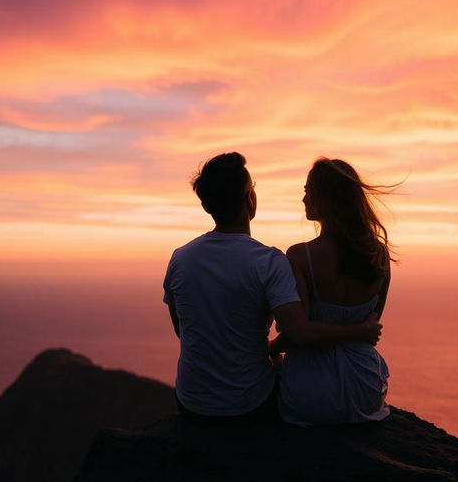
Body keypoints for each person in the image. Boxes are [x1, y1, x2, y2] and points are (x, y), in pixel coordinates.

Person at [163, 152, 383, 424]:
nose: (304, 198)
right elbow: (299, 332)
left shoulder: (180, 258)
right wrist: (359, 331)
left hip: (191, 403)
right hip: (251, 405)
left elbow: (181, 329)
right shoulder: (269, 261)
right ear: (250, 200)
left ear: (207, 206)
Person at [272, 157, 393, 426]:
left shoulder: (300, 256)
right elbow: (369, 329)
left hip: (311, 391)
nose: (303, 199)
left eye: (307, 192)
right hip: (365, 387)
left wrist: (269, 349)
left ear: (324, 198)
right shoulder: (379, 255)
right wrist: (357, 331)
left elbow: (298, 335)